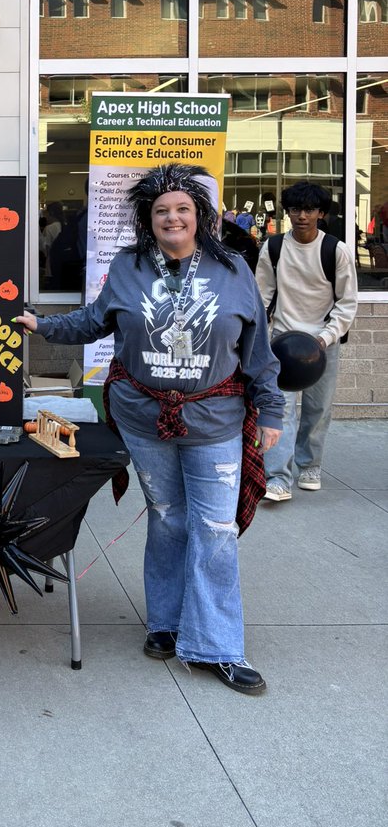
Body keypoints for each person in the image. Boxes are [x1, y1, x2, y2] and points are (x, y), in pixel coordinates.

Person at [16, 163, 283, 694]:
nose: (172, 217)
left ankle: (217, 646)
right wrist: (42, 325)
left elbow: (257, 348)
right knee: (167, 519)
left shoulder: (232, 268)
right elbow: (94, 320)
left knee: (215, 529)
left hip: (214, 421)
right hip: (143, 418)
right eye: (162, 210)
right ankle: (164, 623)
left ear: (200, 215)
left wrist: (270, 408)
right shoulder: (128, 266)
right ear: (148, 217)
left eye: (182, 208)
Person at [255, 181, 357, 502]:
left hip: (323, 343)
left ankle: (310, 466)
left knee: (318, 408)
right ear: (287, 212)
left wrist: (325, 338)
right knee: (278, 409)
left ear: (321, 214)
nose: (302, 216)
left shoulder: (336, 251)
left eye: (309, 210)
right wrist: (260, 338)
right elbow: (262, 296)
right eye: (295, 209)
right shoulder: (273, 248)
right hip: (281, 343)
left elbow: (347, 303)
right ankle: (277, 478)